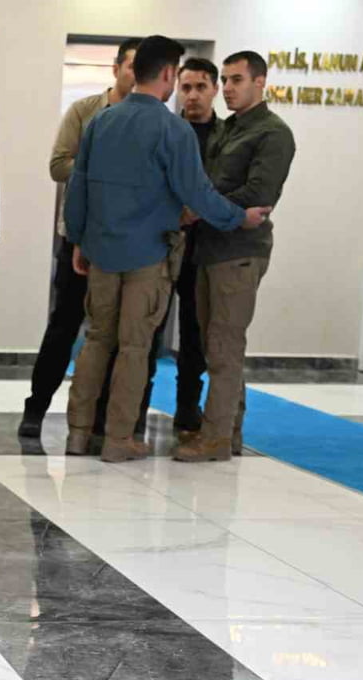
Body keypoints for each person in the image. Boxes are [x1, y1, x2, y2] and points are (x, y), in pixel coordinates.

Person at [64, 35, 271, 463]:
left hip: (101, 252)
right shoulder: (173, 129)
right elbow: (197, 193)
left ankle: (79, 434)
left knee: (97, 341)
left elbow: (77, 188)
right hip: (148, 257)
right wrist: (239, 217)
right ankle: (119, 439)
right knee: (135, 348)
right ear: (167, 75)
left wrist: (79, 240)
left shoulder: (101, 122)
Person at [176, 51, 295, 462]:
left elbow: (258, 195)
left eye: (236, 80)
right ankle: (228, 433)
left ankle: (214, 440)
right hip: (212, 249)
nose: (227, 88)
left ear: (260, 82)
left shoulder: (273, 133)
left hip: (239, 253)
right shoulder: (229, 129)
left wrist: (200, 209)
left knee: (224, 347)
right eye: (224, 80)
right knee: (217, 348)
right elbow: (210, 185)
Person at [20, 38, 140, 440]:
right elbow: (58, 166)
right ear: (116, 68)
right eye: (130, 66)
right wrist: (101, 167)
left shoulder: (148, 120)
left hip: (124, 244)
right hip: (77, 239)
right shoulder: (85, 111)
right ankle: (36, 408)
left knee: (118, 334)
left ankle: (107, 418)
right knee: (64, 327)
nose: (135, 76)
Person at [169, 57, 222, 434]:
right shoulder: (169, 131)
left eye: (200, 87)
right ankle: (134, 408)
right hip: (162, 241)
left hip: (207, 248)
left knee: (195, 331)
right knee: (148, 329)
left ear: (215, 89)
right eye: (185, 87)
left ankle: (187, 406)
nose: (192, 95)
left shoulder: (226, 136)